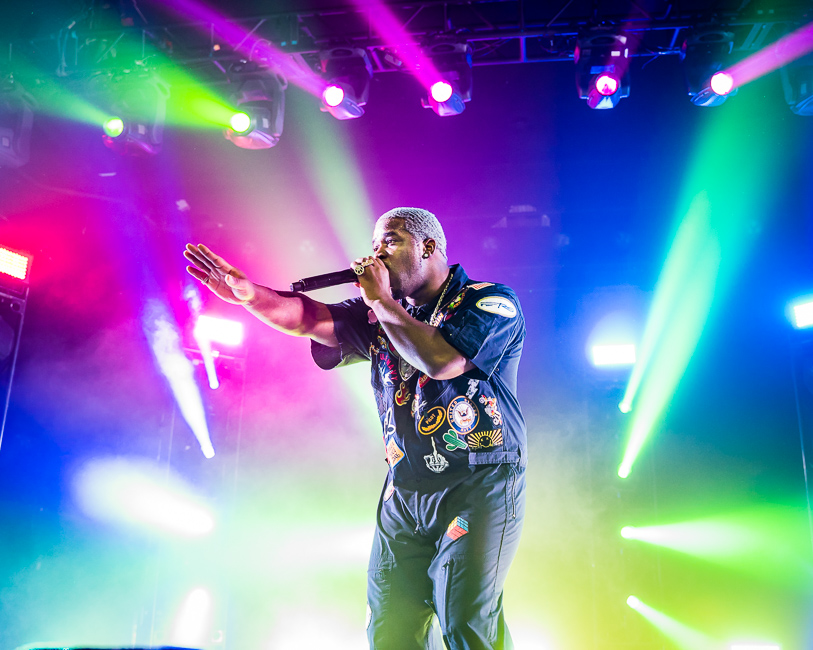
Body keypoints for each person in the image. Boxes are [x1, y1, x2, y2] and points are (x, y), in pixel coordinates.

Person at [184, 207, 527, 650]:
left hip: (478, 485)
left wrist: (381, 303)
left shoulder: (488, 302)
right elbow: (308, 318)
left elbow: (442, 361)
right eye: (374, 245)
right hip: (404, 493)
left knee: (465, 623)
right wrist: (250, 295)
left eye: (391, 241)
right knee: (389, 631)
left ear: (427, 247)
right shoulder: (382, 312)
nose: (377, 254)